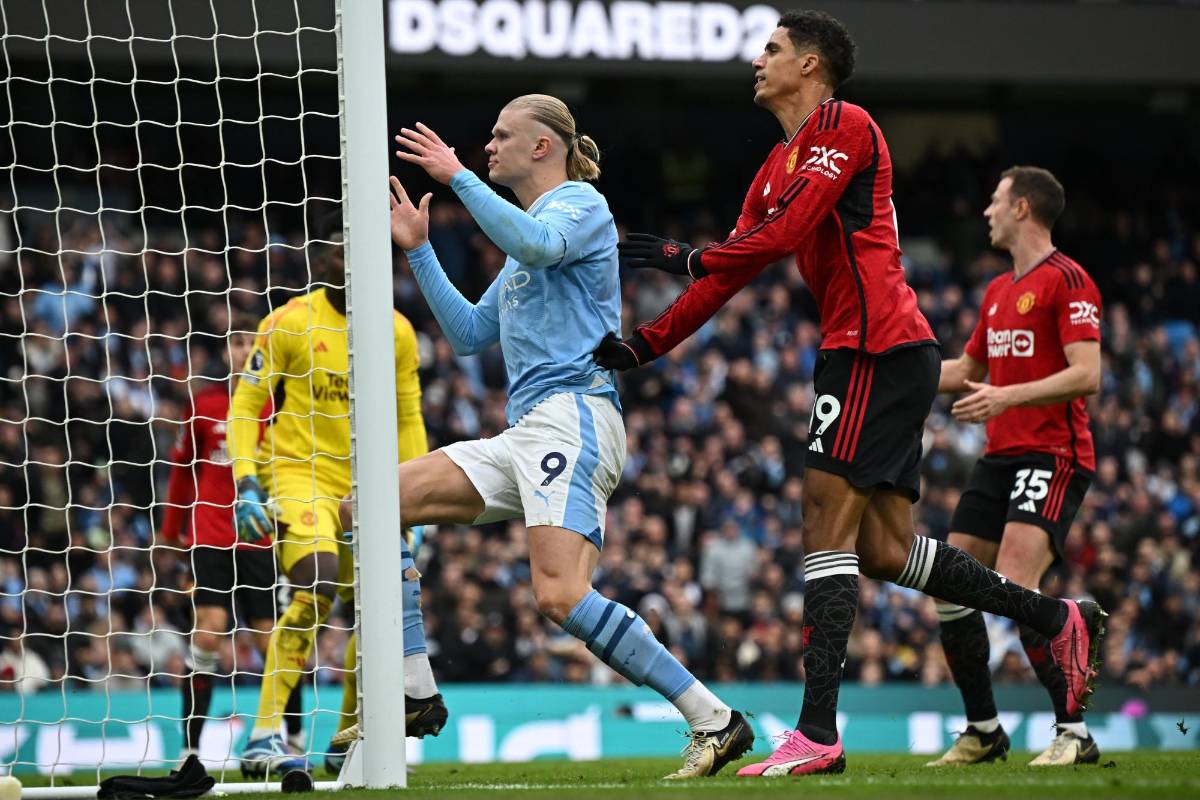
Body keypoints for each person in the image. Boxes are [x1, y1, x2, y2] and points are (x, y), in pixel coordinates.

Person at [594, 11, 1106, 777]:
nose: (757, 61)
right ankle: (1053, 617)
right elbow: (731, 270)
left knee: (822, 524)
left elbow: (781, 231)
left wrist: (684, 256)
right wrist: (645, 344)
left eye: (771, 49)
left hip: (876, 346)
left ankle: (817, 733)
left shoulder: (846, 124)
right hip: (871, 351)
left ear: (810, 64)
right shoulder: (774, 165)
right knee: (883, 549)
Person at [367, 93, 753, 779]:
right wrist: (422, 252)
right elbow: (467, 337)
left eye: (500, 135)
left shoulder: (577, 207)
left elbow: (537, 244)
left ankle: (712, 718)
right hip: (527, 430)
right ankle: (415, 686)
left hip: (573, 415)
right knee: (373, 505)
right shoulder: (523, 241)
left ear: (542, 146)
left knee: (559, 597)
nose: (487, 147)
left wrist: (457, 177)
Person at [228, 240, 442, 777]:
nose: (345, 264)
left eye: (355, 254)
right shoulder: (289, 321)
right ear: (321, 264)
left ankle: (349, 740)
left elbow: (409, 419)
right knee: (317, 585)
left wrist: (414, 497)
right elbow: (247, 404)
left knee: (376, 615)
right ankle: (263, 733)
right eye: (334, 255)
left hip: (370, 487)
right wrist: (245, 481)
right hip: (300, 473)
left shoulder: (396, 331)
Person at [930, 167, 1103, 767]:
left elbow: (1088, 373)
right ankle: (982, 729)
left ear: (1023, 208)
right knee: (948, 582)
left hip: (1053, 454)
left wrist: (1006, 396)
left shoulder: (1069, 279)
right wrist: (888, 371)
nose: (987, 211)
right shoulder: (999, 290)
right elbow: (966, 369)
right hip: (1000, 455)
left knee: (1013, 587)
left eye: (996, 201)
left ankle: (1074, 734)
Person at [157, 319, 303, 760]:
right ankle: (189, 750)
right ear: (225, 351)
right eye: (235, 343)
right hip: (211, 534)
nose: (242, 351)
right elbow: (183, 470)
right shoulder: (204, 404)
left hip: (262, 536)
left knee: (269, 639)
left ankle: (291, 737)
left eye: (249, 343)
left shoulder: (278, 402)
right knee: (208, 635)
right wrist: (171, 531)